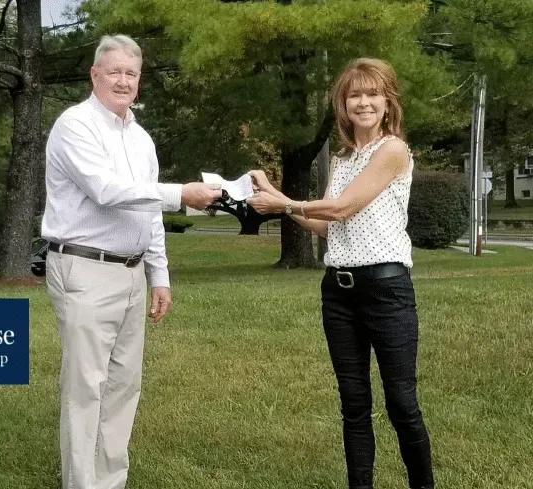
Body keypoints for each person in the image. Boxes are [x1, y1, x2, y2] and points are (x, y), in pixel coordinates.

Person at [41, 34, 221, 489]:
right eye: (114, 72)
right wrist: (182, 193)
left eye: (131, 73)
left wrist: (159, 274)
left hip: (132, 272)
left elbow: (148, 211)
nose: (123, 81)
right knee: (86, 387)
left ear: (139, 80)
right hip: (84, 269)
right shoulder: (74, 125)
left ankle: (110, 482)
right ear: (94, 75)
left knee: (123, 385)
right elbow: (107, 190)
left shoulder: (140, 139)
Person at [246, 58, 434, 489]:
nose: (364, 102)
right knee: (354, 405)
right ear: (343, 104)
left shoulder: (393, 151)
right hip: (338, 293)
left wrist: (283, 203)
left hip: (386, 289)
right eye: (355, 95)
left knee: (402, 404)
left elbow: (343, 207)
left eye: (373, 94)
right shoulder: (344, 158)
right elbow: (328, 225)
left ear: (388, 102)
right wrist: (277, 199)